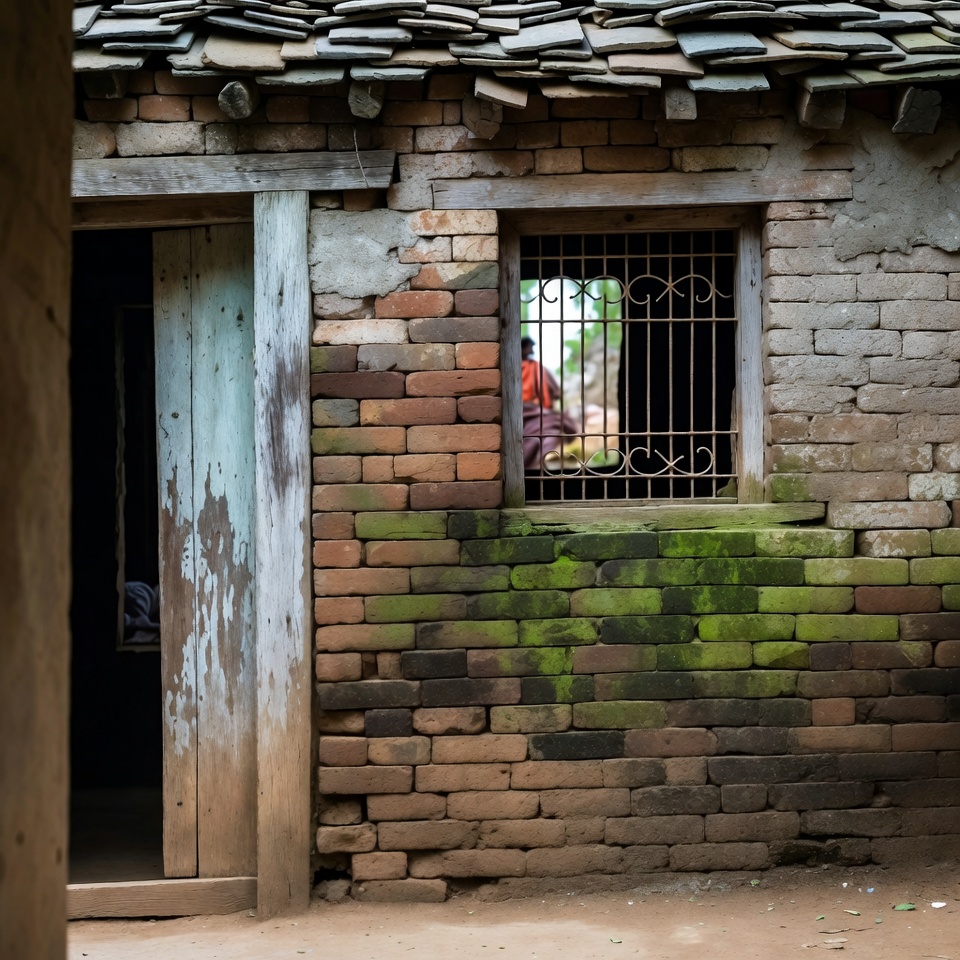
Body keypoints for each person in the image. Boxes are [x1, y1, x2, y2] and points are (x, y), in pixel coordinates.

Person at [520, 336, 580, 471]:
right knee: (553, 428)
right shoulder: (536, 368)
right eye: (529, 347)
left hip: (524, 413)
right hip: (534, 412)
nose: (531, 350)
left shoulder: (519, 368)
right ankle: (543, 459)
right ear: (523, 348)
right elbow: (556, 393)